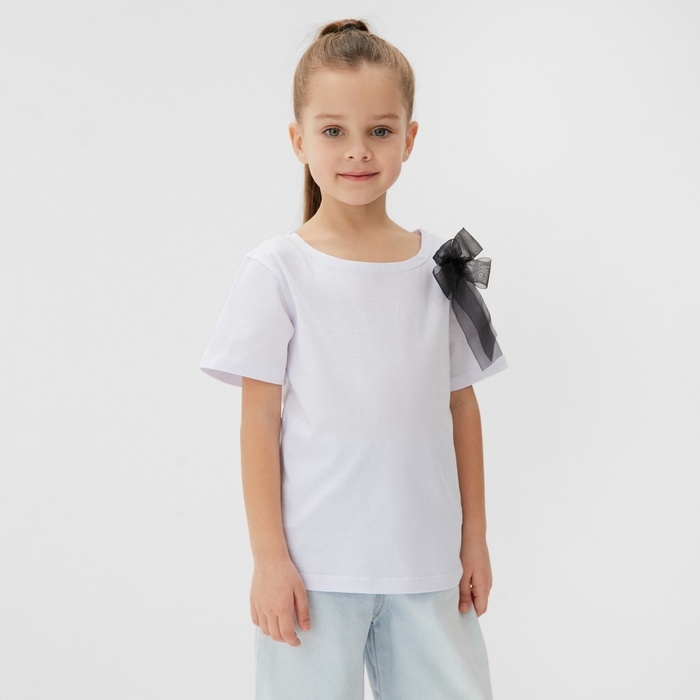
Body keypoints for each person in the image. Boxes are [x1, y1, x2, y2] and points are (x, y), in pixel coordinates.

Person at [200, 18, 507, 700]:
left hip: (428, 565)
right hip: (314, 573)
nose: (358, 151)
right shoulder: (277, 269)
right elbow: (259, 422)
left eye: (380, 130)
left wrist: (475, 538)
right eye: (334, 130)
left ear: (410, 138)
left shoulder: (440, 264)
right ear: (298, 140)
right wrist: (269, 559)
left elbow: (462, 406)